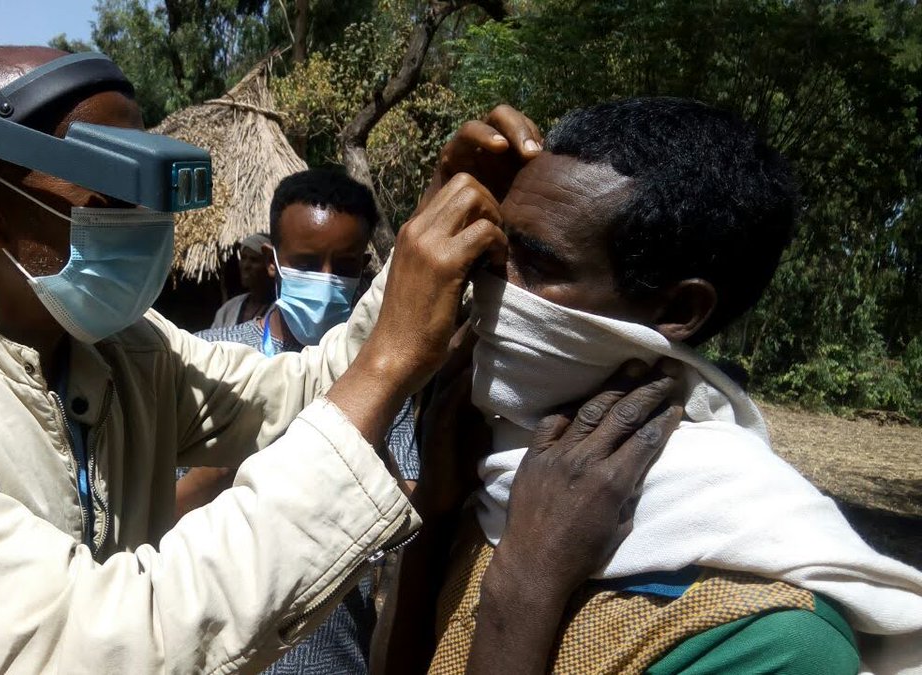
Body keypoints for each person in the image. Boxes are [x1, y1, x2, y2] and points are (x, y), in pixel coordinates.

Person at [0, 46, 676, 674]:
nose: (149, 239)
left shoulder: (117, 351)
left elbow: (305, 393)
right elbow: (111, 644)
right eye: (108, 206)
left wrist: (406, 272)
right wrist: (391, 359)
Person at [381, 100, 922, 674]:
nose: (490, 282)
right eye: (494, 252)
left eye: (537, 264)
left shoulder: (774, 637)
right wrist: (435, 516)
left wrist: (525, 584)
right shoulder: (487, 474)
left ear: (680, 309)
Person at [182, 168, 421, 675]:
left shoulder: (380, 374)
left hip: (330, 653)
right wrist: (225, 467)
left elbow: (405, 512)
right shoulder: (206, 356)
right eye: (308, 263)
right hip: (205, 644)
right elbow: (156, 517)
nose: (327, 279)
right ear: (273, 262)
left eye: (346, 266)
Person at [210, 232, 274, 328]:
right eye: (243, 258)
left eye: (254, 260)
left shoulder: (278, 310)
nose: (245, 265)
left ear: (270, 266)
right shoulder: (229, 309)